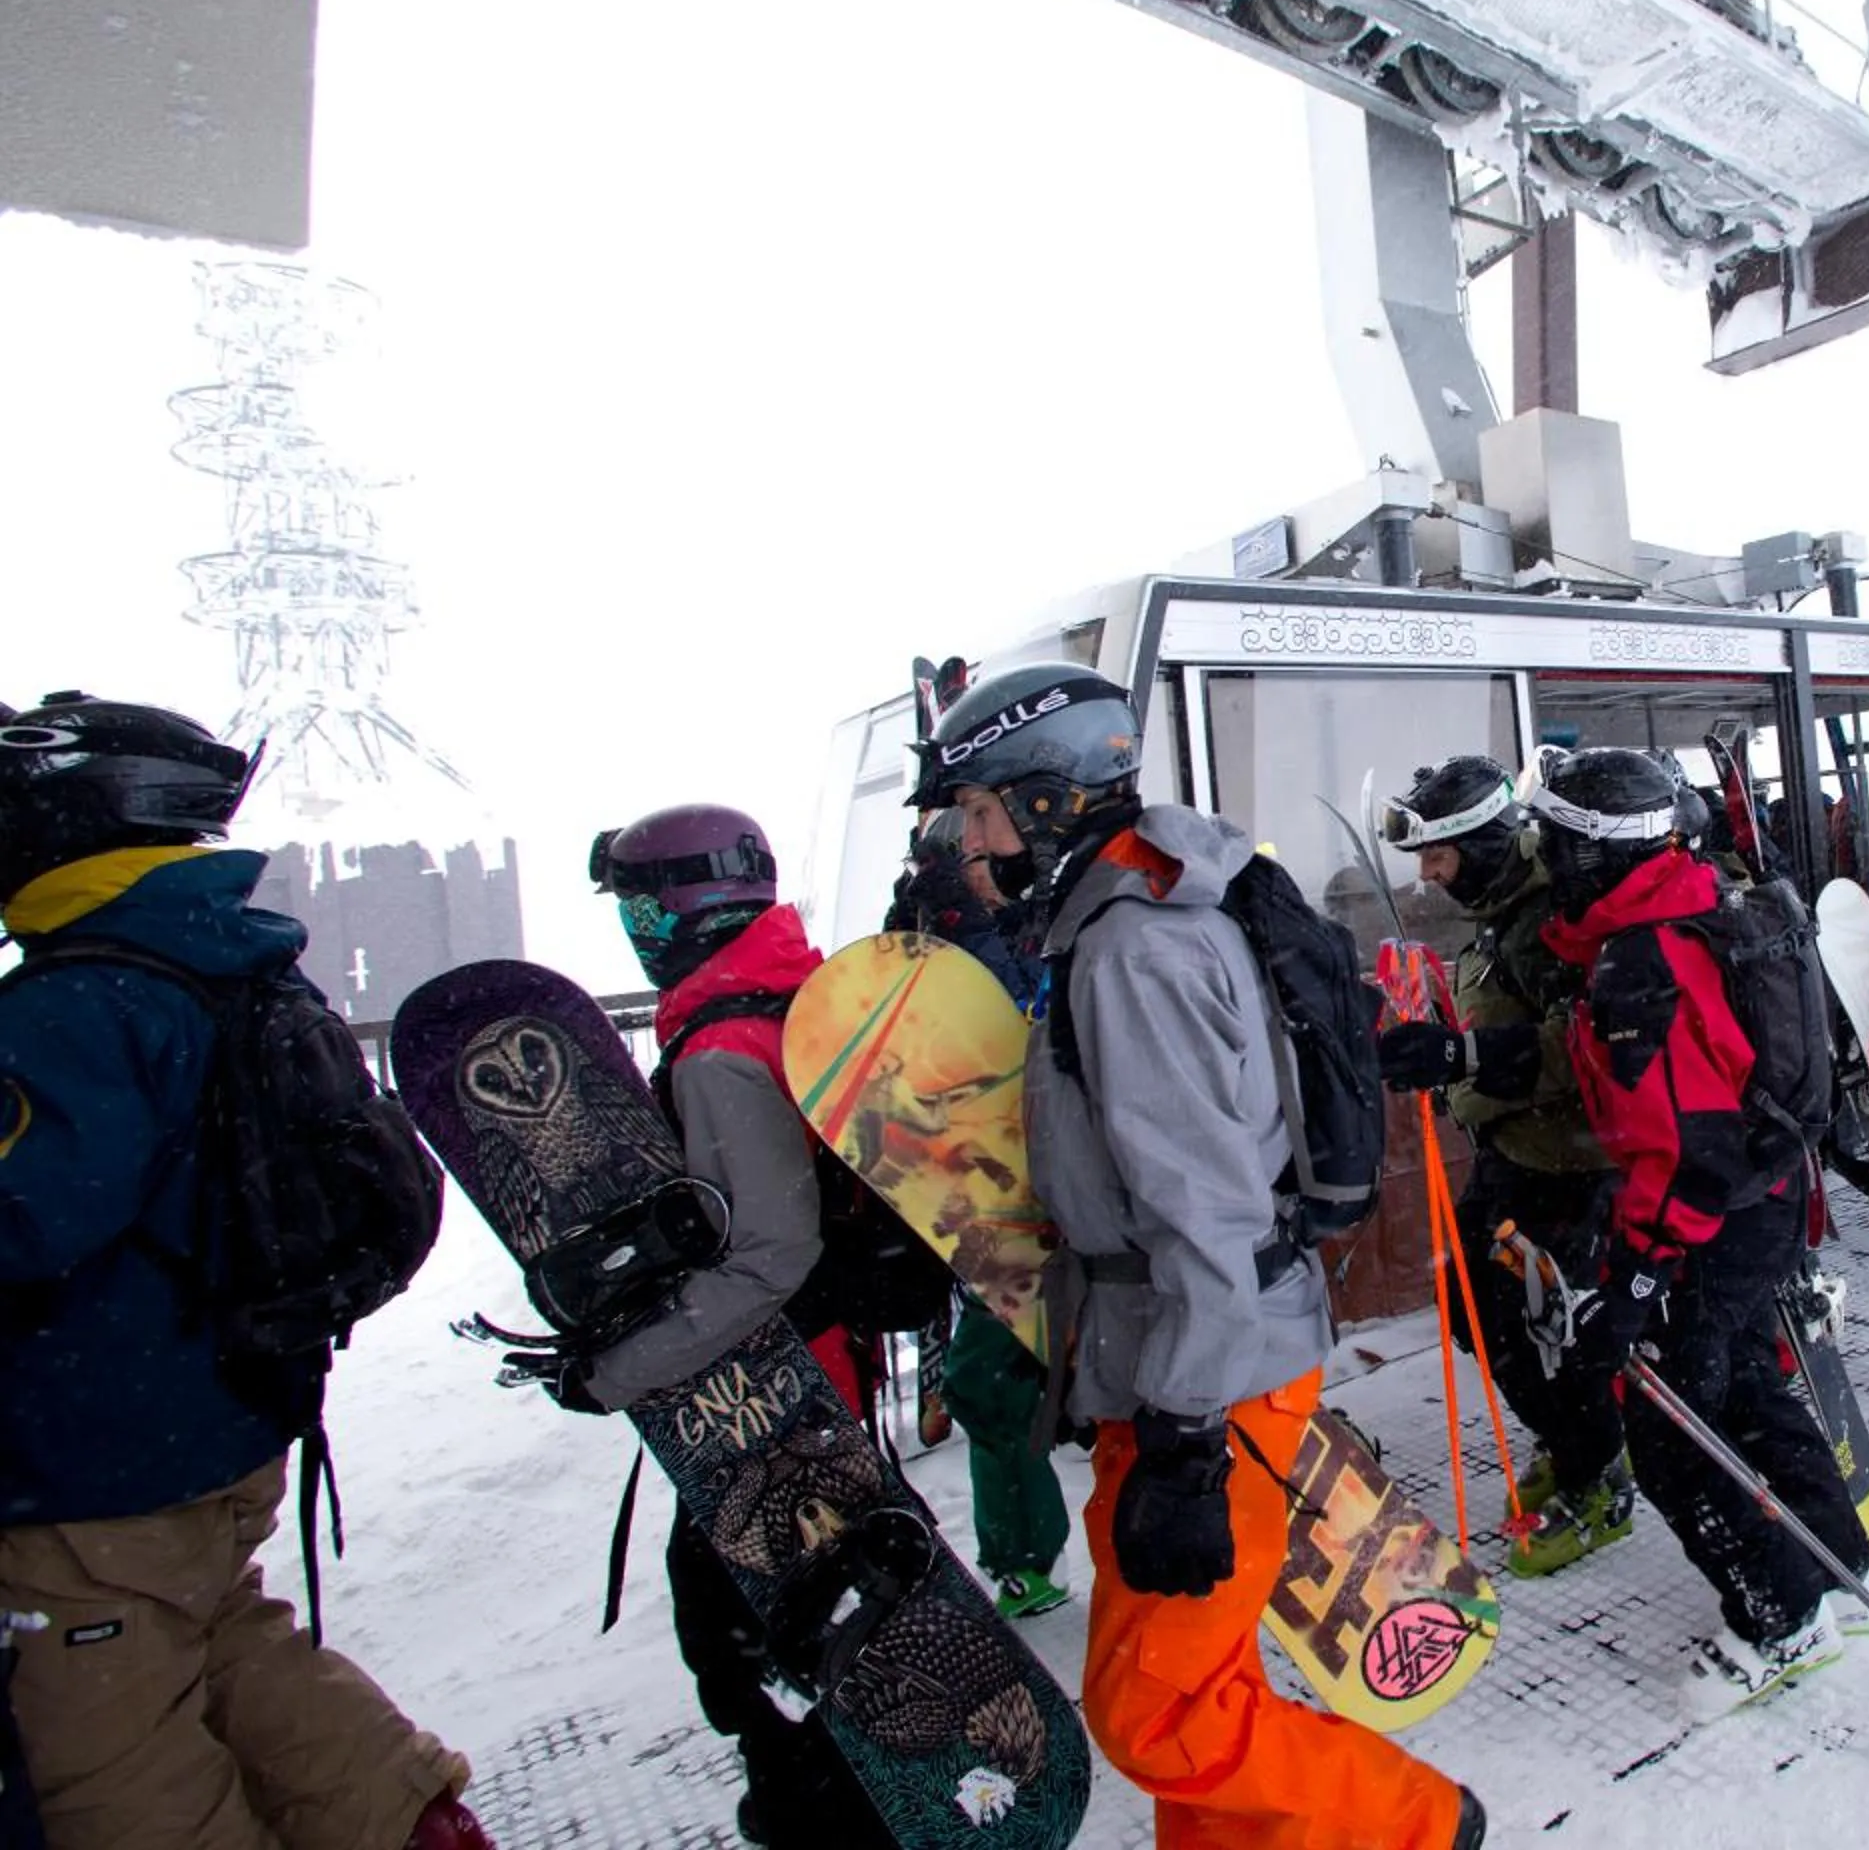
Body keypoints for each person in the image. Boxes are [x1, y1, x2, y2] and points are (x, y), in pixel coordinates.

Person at [914, 662, 1482, 1850]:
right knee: (1201, 1681)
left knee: (1153, 1709)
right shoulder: (1118, 917)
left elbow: (1206, 1206)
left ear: (1050, 795)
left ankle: (1418, 1825)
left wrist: (1184, 1434)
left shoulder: (1134, 949)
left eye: (979, 808)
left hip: (1209, 1366)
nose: (968, 838)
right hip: (1174, 1355)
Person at [0, 692, 490, 1850]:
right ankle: (405, 1816)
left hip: (92, 1468)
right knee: (223, 1629)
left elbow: (22, 1220)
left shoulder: (73, 1007)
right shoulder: (230, 961)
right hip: (222, 1421)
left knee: (116, 1763)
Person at [563, 802, 910, 1849]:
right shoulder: (802, 996)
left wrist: (618, 1366)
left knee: (753, 1629)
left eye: (636, 904)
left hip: (772, 1393)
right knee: (816, 1608)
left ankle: (835, 1810)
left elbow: (770, 1252)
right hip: (826, 1364)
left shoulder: (723, 1047)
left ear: (676, 910)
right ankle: (835, 1793)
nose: (631, 925)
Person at [1528, 748, 1869, 1710]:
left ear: (1600, 851)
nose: (1547, 855)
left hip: (1713, 1218)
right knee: (1747, 1383)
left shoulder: (1647, 958)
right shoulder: (1683, 906)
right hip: (1754, 1201)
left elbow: (1689, 1151)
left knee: (1675, 1425)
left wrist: (1637, 1285)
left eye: (1559, 839)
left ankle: (1783, 1617)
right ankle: (1836, 1551)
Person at [1372, 755, 1635, 1578]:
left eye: (1440, 858)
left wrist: (1464, 1049)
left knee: (1562, 1328)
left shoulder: (1554, 912)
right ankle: (1574, 1443)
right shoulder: (1500, 911)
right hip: (1515, 1154)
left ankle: (1602, 1480)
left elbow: (1585, 1044)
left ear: (1485, 846)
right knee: (1478, 1310)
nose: (1429, 876)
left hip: (1575, 1166)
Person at [882, 813, 1072, 1617]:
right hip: (980, 1191)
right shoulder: (949, 931)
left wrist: (969, 927)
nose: (963, 876)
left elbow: (1031, 1021)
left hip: (1063, 1192)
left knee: (1035, 1379)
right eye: (945, 864)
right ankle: (1023, 1555)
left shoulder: (1050, 921)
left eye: (967, 860)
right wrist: (904, 942)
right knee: (985, 1383)